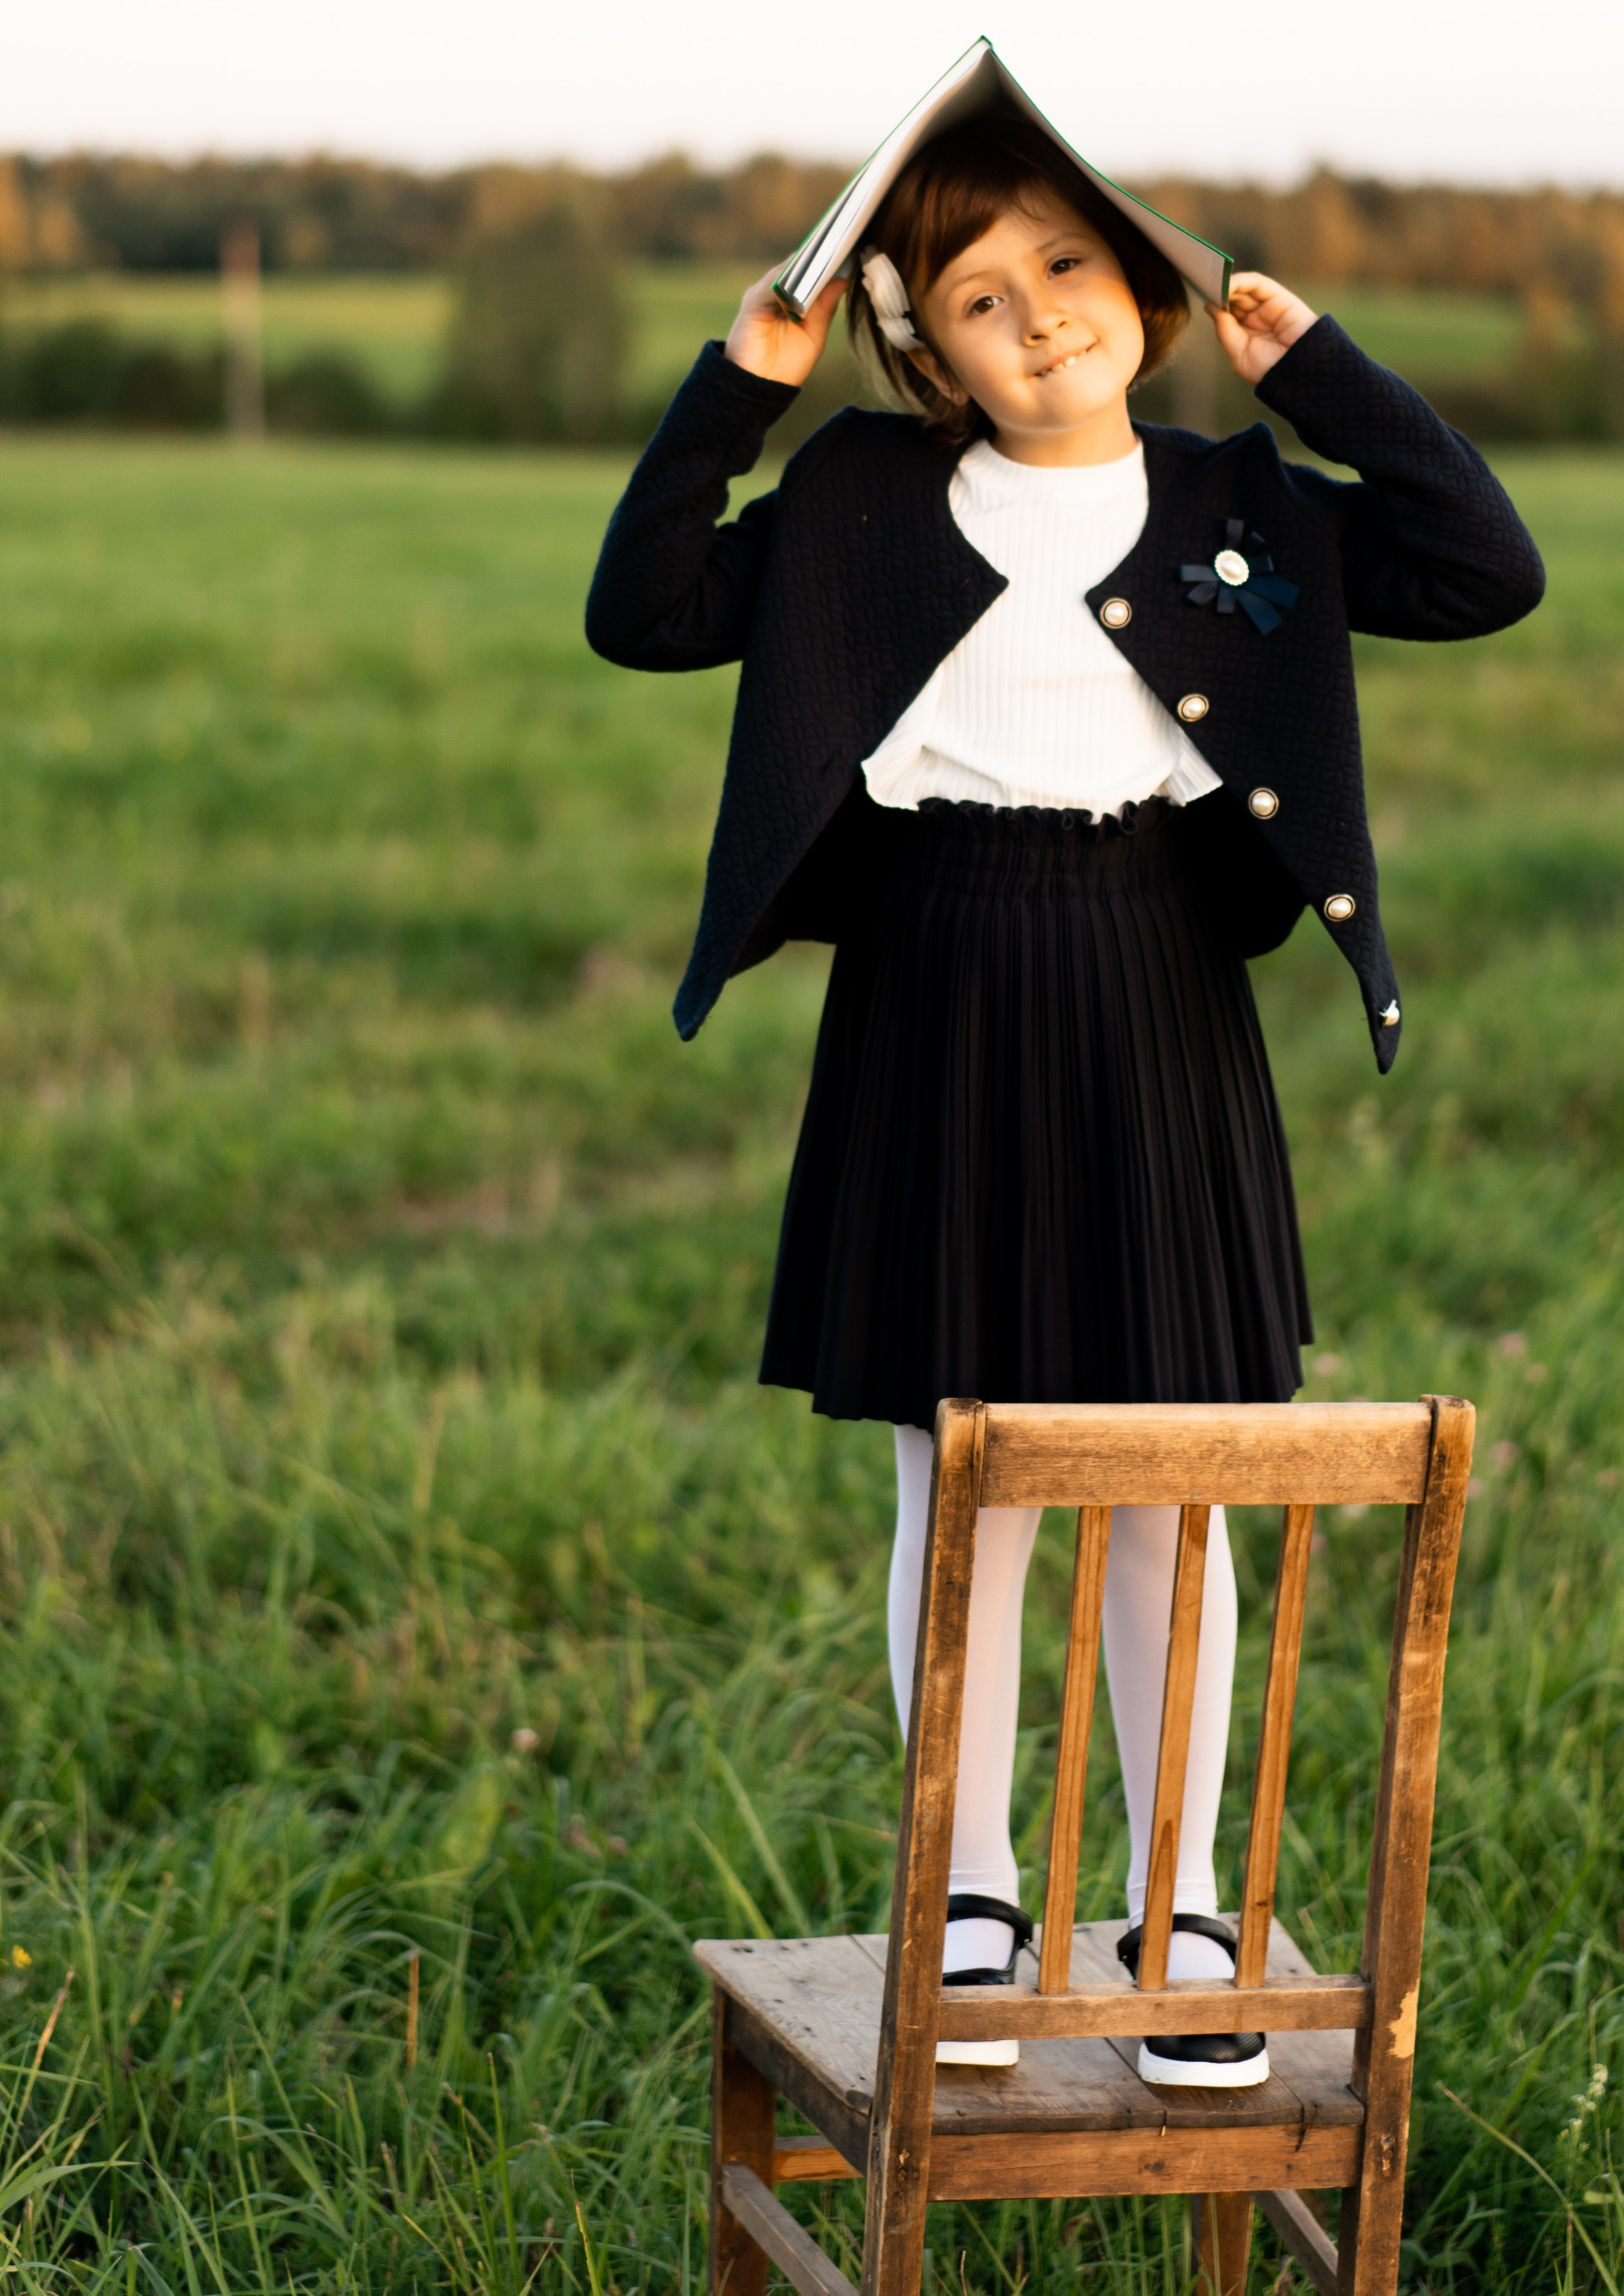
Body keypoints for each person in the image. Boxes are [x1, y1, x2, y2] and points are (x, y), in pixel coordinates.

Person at [585, 108, 1544, 2083]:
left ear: (1146, 290)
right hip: (932, 988)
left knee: (1168, 1482)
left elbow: (1485, 567)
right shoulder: (861, 494)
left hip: (1157, 988)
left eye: (1069, 275)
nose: (1038, 325)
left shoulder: (1239, 502)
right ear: (925, 346)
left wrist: (1326, 370)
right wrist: (737, 391)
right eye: (981, 299)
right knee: (964, 1480)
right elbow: (647, 605)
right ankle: (969, 1888)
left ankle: (1185, 1906)